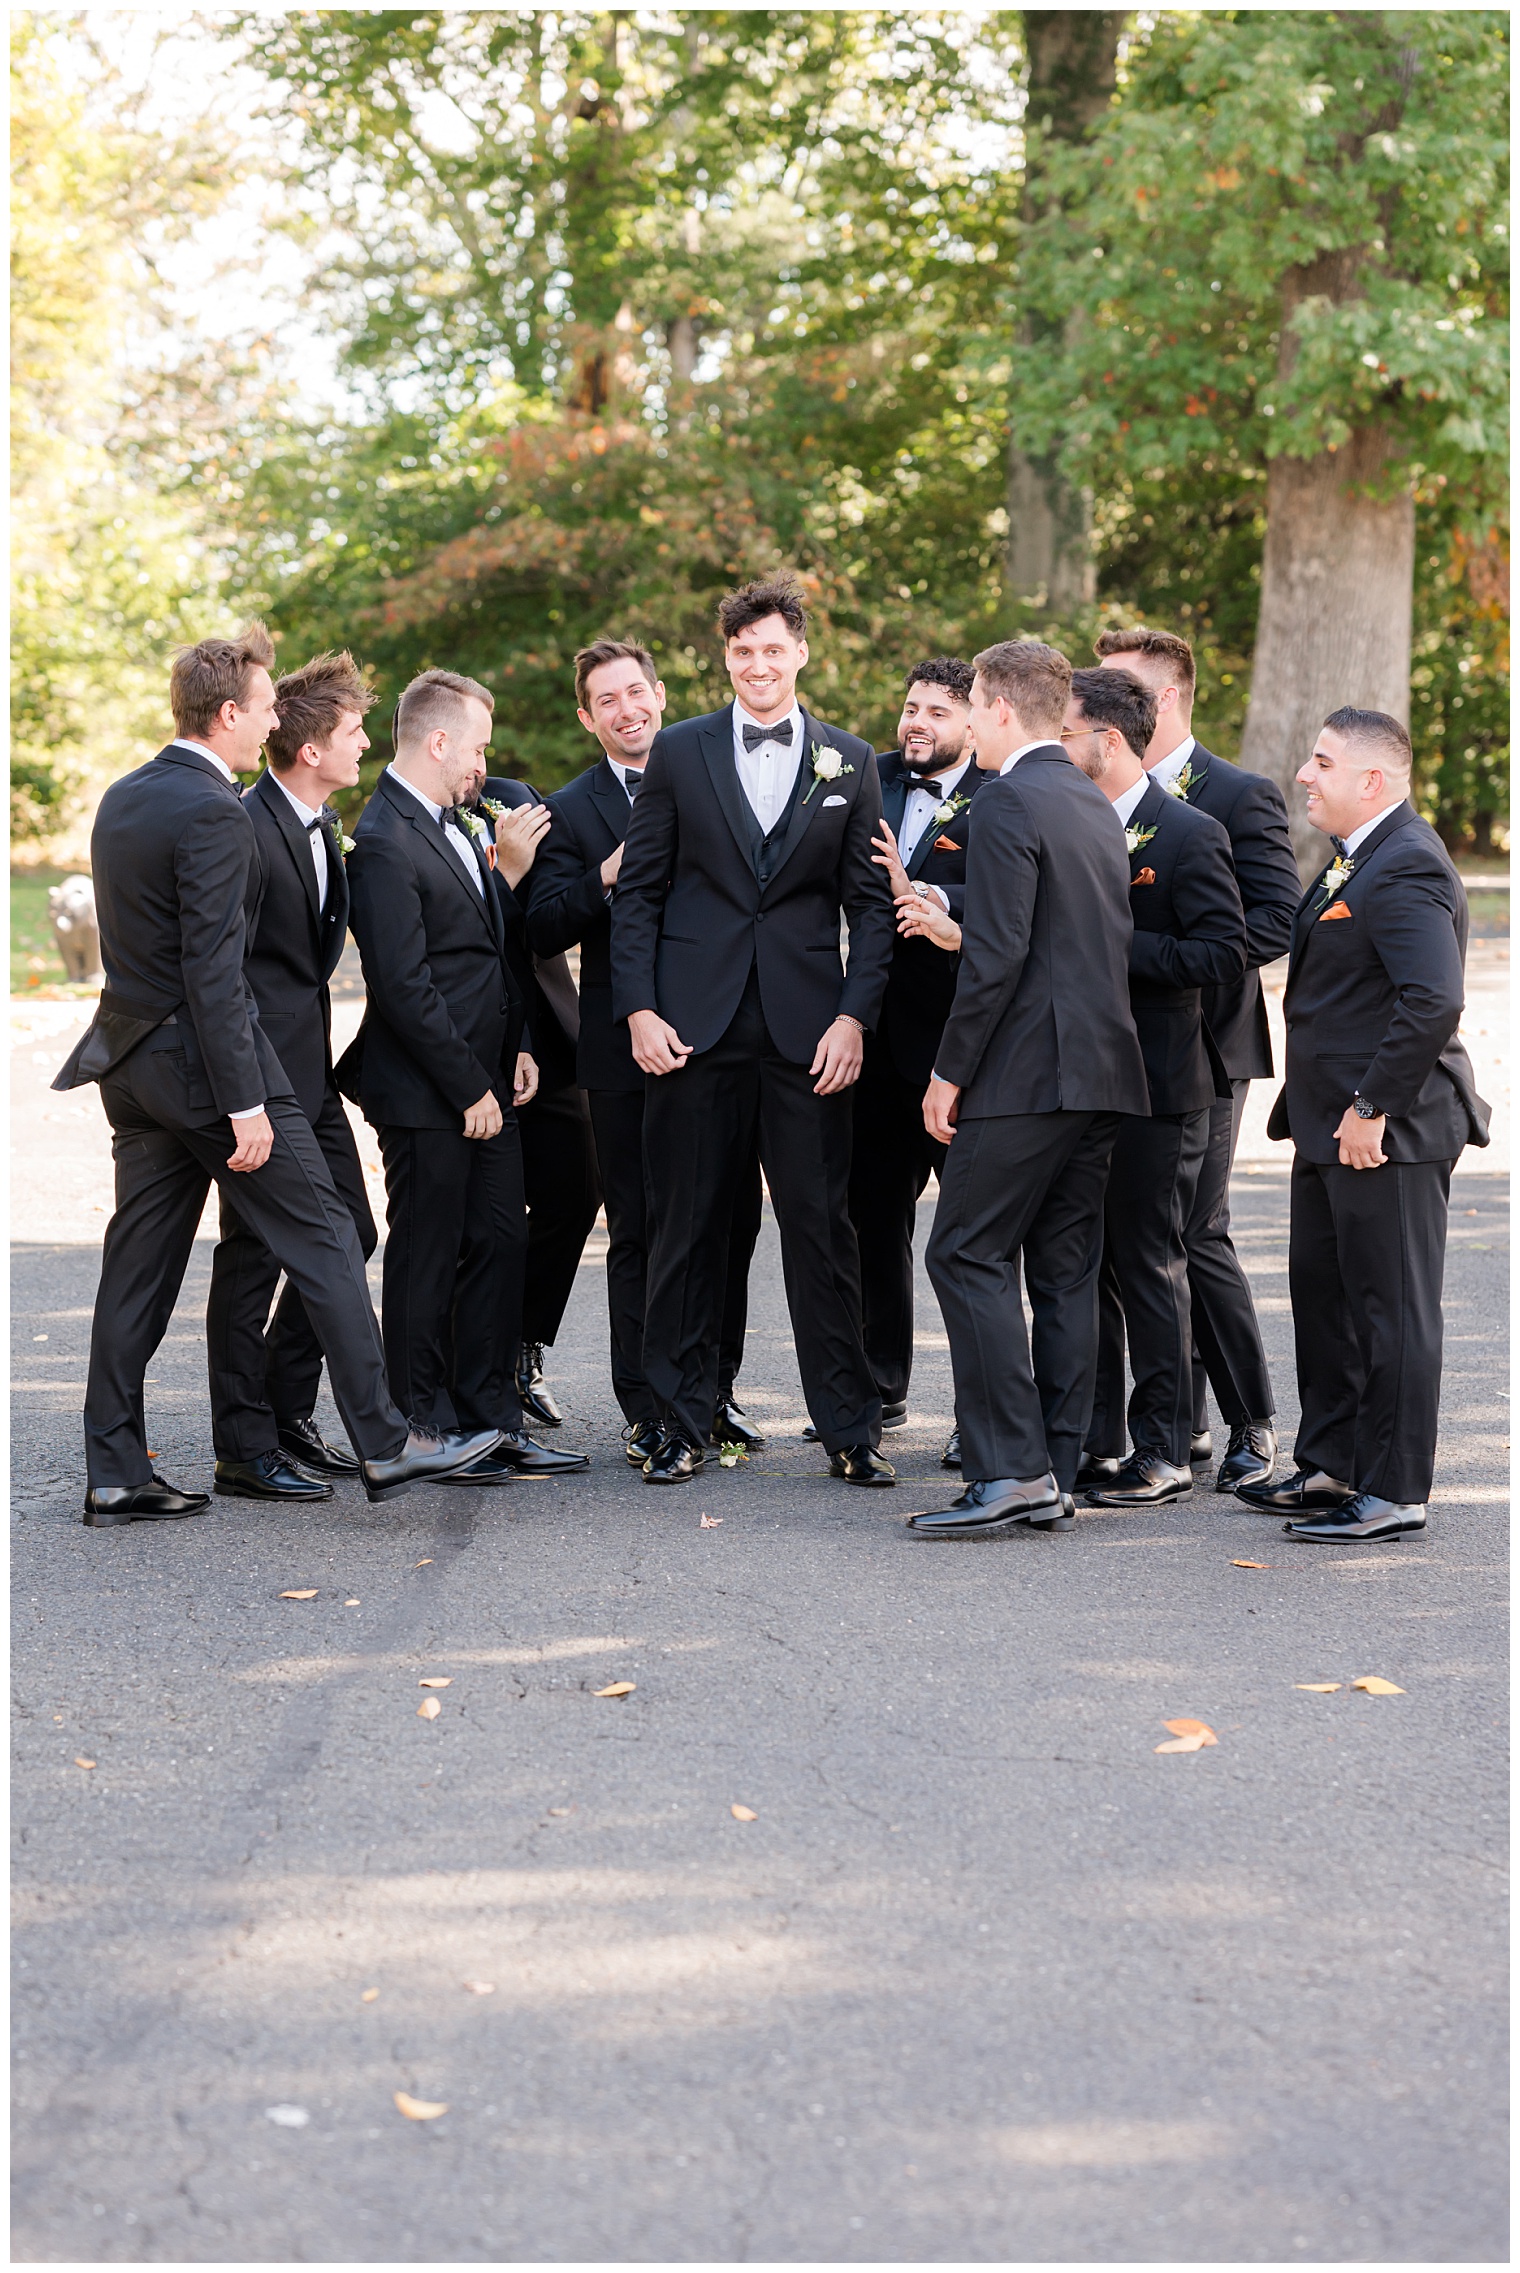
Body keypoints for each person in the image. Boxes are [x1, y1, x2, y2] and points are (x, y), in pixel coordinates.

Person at [55, 626, 501, 1523]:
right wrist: (247, 1101)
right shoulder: (219, 811)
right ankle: (385, 1441)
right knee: (330, 1239)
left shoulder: (123, 796)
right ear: (228, 712)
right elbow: (214, 973)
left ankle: (115, 1466)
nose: (269, 724)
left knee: (137, 1267)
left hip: (129, 1065)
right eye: (262, 709)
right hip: (207, 1072)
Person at [610, 573, 897, 1484]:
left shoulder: (851, 761)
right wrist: (639, 1008)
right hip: (692, 1028)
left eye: (775, 649)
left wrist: (855, 1016)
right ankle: (678, 1424)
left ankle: (850, 1430)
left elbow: (873, 909)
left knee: (823, 1231)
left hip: (810, 1034)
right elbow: (640, 893)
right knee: (686, 1231)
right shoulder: (681, 752)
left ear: (801, 652)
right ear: (724, 657)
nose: (759, 665)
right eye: (743, 651)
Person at [904, 639, 1150, 1540]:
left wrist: (948, 1071)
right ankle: (1055, 1465)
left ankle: (1009, 1471)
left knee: (963, 1251)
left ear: (999, 710)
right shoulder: (1094, 802)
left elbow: (1000, 955)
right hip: (1102, 1073)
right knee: (1062, 1270)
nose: (966, 722)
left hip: (1027, 1072)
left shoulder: (1008, 799)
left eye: (969, 706)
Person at [1236, 709, 1490, 1542]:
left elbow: (1432, 996)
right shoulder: (1359, 856)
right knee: (1327, 1299)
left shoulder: (1408, 862)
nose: (1305, 774)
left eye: (1322, 761)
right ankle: (1333, 1462)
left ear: (1371, 780)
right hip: (1327, 1126)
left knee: (1393, 1310)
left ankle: (1392, 1487)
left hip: (1389, 1126)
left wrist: (1372, 1107)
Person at [335, 668, 586, 1485]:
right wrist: (467, 1087)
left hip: (489, 1077)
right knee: (427, 1252)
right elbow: (404, 988)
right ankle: (421, 1422)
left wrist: (514, 1045)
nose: (485, 762)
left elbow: (489, 950)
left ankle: (490, 1422)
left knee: (501, 1242)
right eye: (476, 745)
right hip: (426, 1091)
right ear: (438, 741)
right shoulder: (381, 841)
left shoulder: (450, 823)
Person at [527, 640, 764, 1466]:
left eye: (638, 692)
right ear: (587, 717)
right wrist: (608, 874)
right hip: (620, 1055)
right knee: (641, 1226)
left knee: (729, 1222)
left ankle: (713, 1389)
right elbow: (544, 924)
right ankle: (647, 1403)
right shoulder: (572, 806)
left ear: (661, 695)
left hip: (721, 1038)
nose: (628, 710)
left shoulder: (719, 771)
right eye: (608, 700)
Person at [1095, 627, 1300, 1491]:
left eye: (1118, 690)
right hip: (1108, 1046)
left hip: (1205, 1045)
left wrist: (1138, 952)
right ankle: (1176, 1422)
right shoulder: (1086, 792)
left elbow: (1272, 922)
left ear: (1165, 698)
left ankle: (1250, 1420)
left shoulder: (1236, 795)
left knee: (1191, 1230)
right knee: (1130, 1235)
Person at [1060, 668, 1247, 1507]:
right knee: (1085, 1264)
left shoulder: (1188, 833)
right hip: (1081, 1079)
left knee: (1150, 1264)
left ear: (1106, 740)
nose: (1057, 746)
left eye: (1066, 733)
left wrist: (1112, 944)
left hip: (1163, 1084)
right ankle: (1096, 1440)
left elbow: (1219, 953)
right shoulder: (1068, 821)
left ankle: (1166, 1446)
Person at [204, 650, 382, 1500]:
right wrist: (245, 1093)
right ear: (311, 750)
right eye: (353, 734)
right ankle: (244, 1446)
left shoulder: (320, 830)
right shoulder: (246, 825)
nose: (363, 746)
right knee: (251, 1255)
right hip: (259, 1081)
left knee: (353, 1233)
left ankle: (285, 1410)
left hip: (312, 1077)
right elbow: (222, 969)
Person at [836, 657, 986, 1448]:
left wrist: (935, 897)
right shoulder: (867, 775)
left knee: (971, 1241)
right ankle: (878, 1386)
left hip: (967, 1048)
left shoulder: (1002, 791)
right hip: (876, 1042)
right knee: (870, 1219)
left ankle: (977, 1413)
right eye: (910, 706)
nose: (916, 722)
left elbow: (1010, 893)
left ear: (973, 721)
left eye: (936, 711)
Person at [464, 764, 601, 1433]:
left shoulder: (520, 799)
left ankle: (524, 1346)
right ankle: (475, 1369)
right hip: (469, 1037)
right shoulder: (410, 820)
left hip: (549, 1030)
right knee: (483, 1221)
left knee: (577, 1190)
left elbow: (552, 913)